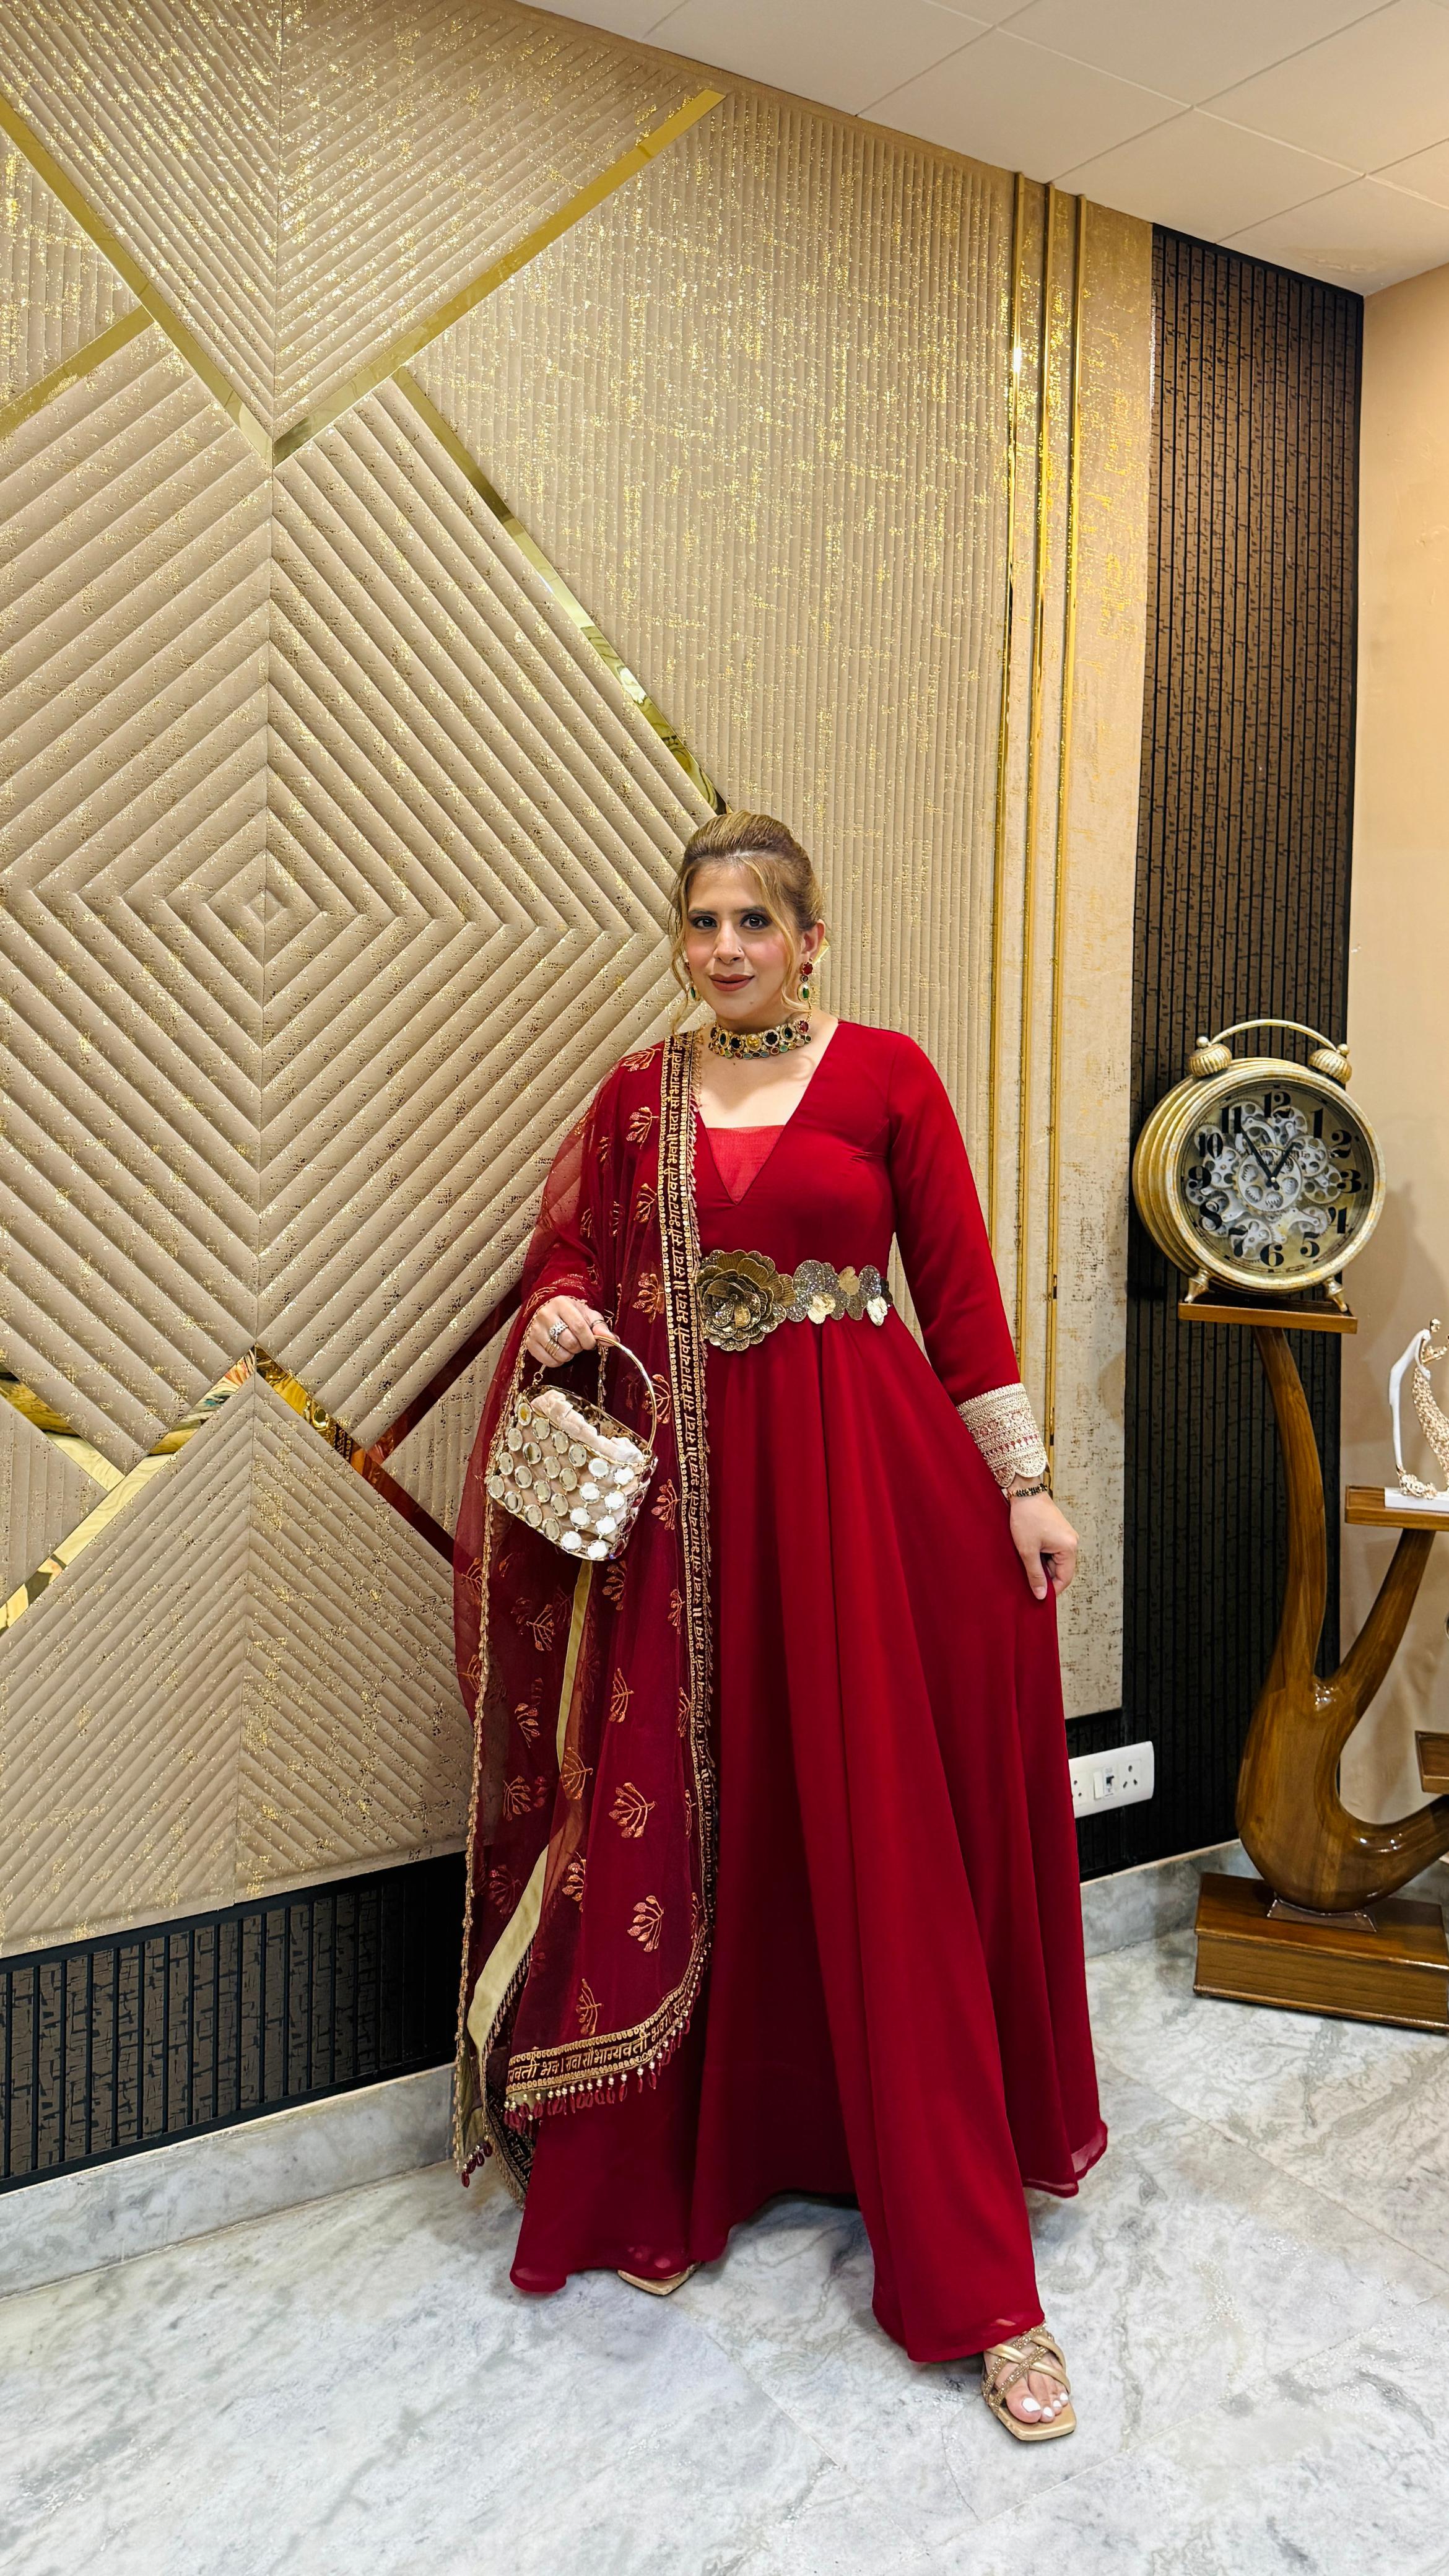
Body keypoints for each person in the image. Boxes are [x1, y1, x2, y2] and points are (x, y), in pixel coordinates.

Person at [453, 809, 1105, 2443]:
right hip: (693, 1519)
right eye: (702, 922)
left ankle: (974, 2278)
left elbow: (955, 1293)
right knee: (712, 1824)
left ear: (812, 939)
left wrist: (1021, 1485)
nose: (726, 947)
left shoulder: (887, 1077)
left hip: (867, 1493)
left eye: (756, 920)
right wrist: (560, 1309)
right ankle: (695, 2158)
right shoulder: (631, 1101)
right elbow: (559, 1261)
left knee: (879, 1832)